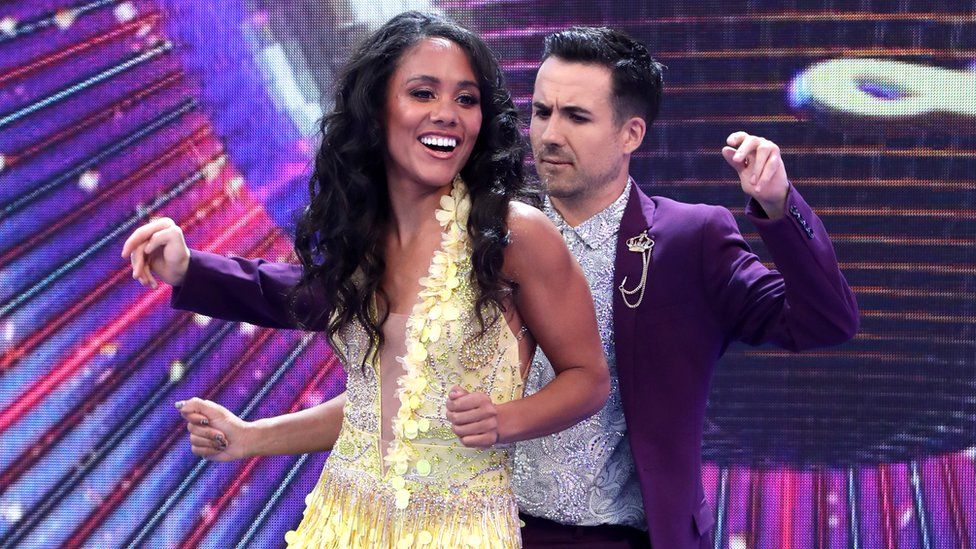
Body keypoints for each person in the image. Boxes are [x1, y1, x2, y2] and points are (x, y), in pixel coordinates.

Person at [120, 12, 609, 549]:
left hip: (457, 530)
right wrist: (248, 437)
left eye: (466, 99)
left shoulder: (515, 233)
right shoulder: (360, 236)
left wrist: (507, 420)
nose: (447, 114)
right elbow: (373, 406)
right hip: (341, 521)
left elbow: (588, 377)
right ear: (377, 108)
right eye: (423, 93)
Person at [510, 27, 858, 548]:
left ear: (631, 134)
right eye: (542, 112)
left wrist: (779, 205)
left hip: (629, 536)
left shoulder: (689, 239)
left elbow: (825, 321)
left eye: (576, 117)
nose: (550, 134)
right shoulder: (492, 231)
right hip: (494, 528)